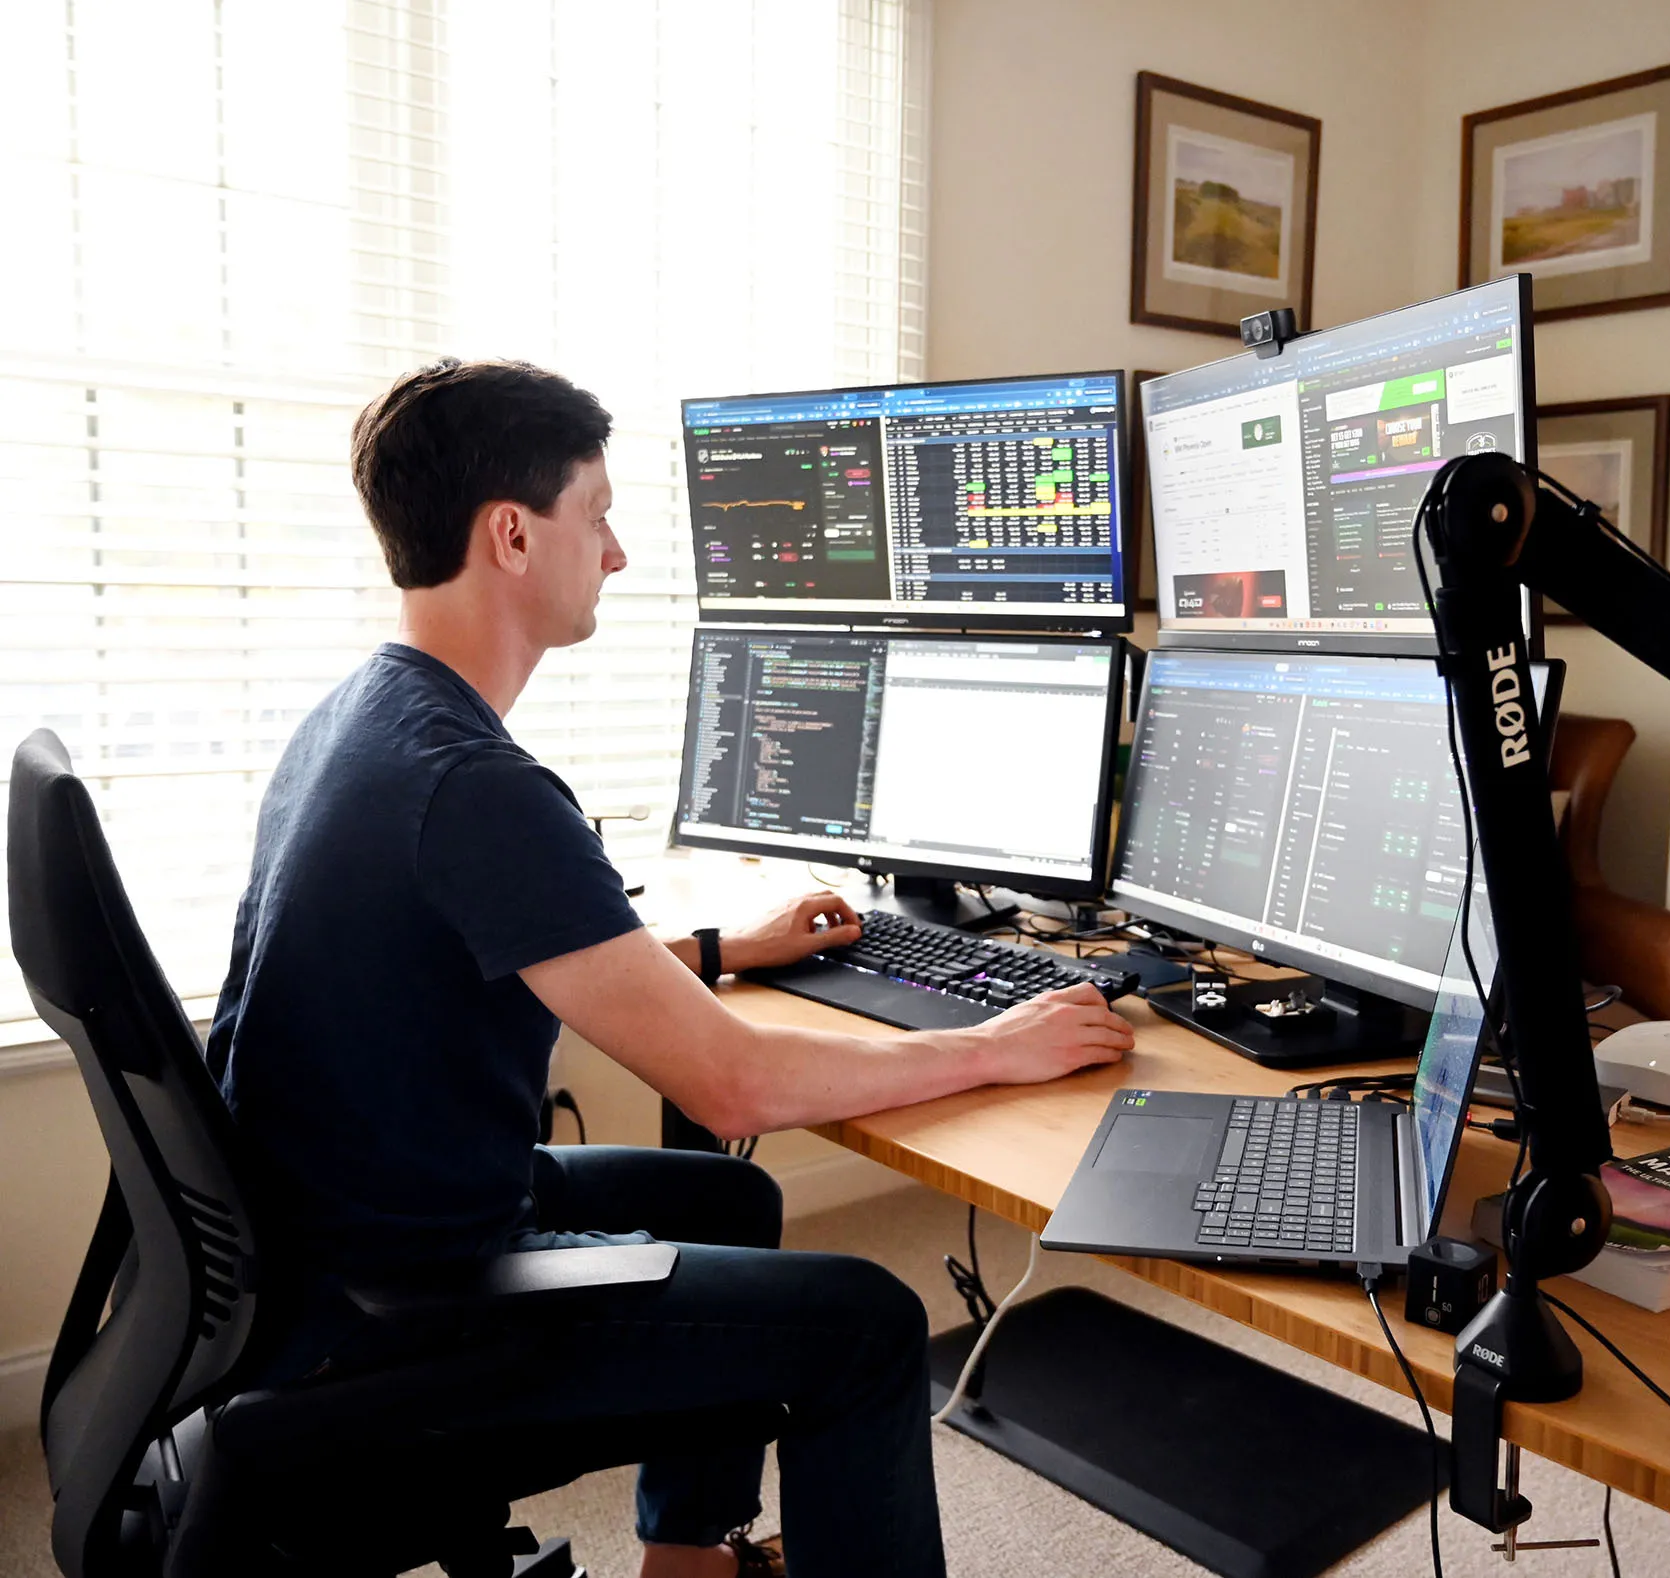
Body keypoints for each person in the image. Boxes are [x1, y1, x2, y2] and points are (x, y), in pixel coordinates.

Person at [206, 358, 1134, 1578]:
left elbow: (509, 954)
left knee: (732, 1204)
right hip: (403, 1298)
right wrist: (994, 1045)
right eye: (597, 514)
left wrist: (716, 953)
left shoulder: (371, 715)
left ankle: (684, 1557)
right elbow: (733, 1089)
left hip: (334, 1230)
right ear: (512, 535)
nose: (619, 550)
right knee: (868, 1323)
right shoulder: (474, 785)